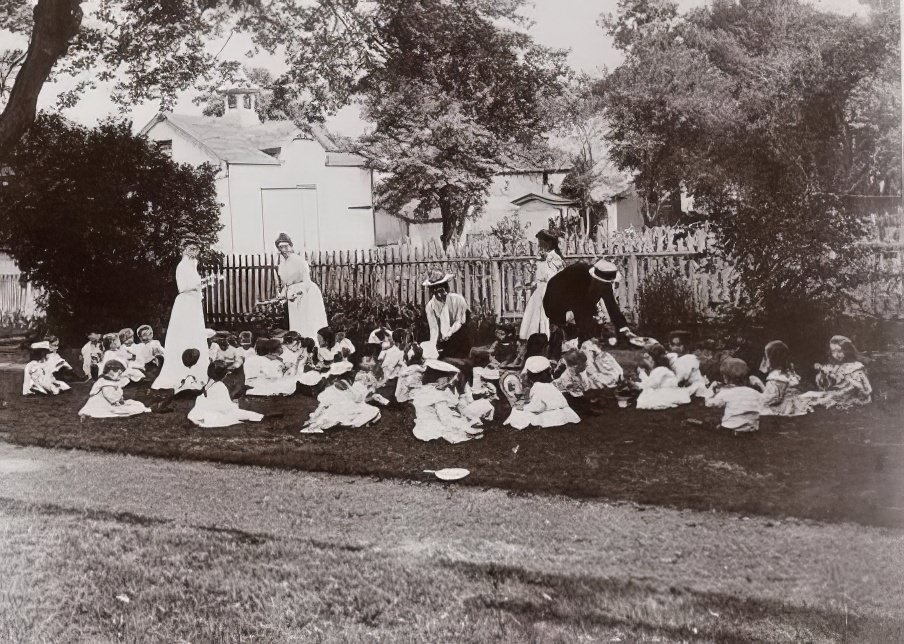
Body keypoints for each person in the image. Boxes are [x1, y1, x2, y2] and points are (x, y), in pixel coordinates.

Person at [543, 258, 637, 353]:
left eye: (608, 284)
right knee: (565, 339)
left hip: (578, 301)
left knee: (586, 334)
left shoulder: (604, 279)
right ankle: (556, 352)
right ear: (596, 279)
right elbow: (581, 311)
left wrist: (624, 329)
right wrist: (589, 340)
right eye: (603, 284)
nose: (606, 286)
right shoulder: (578, 279)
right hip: (555, 300)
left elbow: (612, 306)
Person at [152, 239, 210, 390]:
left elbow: (195, 285)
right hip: (185, 303)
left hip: (193, 302)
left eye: (196, 249)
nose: (194, 252)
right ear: (184, 250)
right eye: (191, 249)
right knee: (184, 332)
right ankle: (181, 369)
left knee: (194, 333)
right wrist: (200, 283)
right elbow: (183, 287)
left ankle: (197, 368)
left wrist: (203, 283)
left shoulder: (192, 265)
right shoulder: (182, 266)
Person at [301, 353, 386, 433]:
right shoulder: (357, 379)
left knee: (375, 411)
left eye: (372, 379)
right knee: (335, 410)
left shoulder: (368, 386)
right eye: (369, 376)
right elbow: (352, 393)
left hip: (353, 404)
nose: (369, 379)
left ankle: (347, 424)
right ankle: (316, 423)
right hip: (345, 401)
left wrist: (372, 397)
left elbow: (361, 400)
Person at [411, 360, 482, 443]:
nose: (449, 382)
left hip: (421, 426)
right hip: (432, 429)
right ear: (439, 379)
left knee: (456, 417)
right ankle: (468, 432)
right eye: (447, 379)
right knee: (454, 426)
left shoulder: (424, 389)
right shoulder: (438, 396)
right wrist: (465, 427)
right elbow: (446, 419)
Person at [275, 233, 328, 340]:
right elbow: (286, 284)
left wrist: (299, 292)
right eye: (281, 247)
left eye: (286, 246)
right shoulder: (281, 266)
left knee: (308, 321)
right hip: (292, 296)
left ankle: (313, 343)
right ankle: (300, 343)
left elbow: (307, 281)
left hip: (307, 294)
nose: (284, 249)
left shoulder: (299, 261)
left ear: (291, 246)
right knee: (296, 322)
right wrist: (282, 296)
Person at [505, 356, 581, 430]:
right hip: (563, 412)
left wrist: (525, 408)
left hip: (550, 414)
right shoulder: (551, 386)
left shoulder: (537, 387)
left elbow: (539, 406)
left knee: (518, 412)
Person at [519, 229, 566, 340]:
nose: (539, 244)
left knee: (545, 315)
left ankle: (548, 338)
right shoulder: (541, 258)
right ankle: (536, 339)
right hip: (539, 291)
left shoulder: (555, 259)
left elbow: (558, 277)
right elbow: (539, 276)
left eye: (540, 241)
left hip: (550, 291)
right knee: (535, 315)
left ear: (548, 242)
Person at [803, 335, 873, 410]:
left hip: (848, 396)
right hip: (835, 394)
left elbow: (864, 389)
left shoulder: (855, 367)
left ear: (848, 351)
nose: (836, 355)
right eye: (833, 351)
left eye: (839, 351)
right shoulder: (835, 366)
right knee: (808, 394)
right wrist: (823, 374)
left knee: (812, 398)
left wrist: (843, 378)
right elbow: (826, 386)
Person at [188, 361, 263, 428]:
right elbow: (224, 407)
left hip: (204, 410)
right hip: (216, 411)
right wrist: (233, 404)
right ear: (225, 375)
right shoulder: (220, 386)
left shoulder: (209, 383)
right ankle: (257, 417)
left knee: (238, 412)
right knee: (238, 413)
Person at [423, 269, 471, 359]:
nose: (444, 293)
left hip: (461, 331)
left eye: (445, 289)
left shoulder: (458, 300)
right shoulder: (430, 306)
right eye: (440, 291)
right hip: (445, 337)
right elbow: (434, 328)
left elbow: (459, 321)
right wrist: (433, 347)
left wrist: (449, 333)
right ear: (434, 292)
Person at [706, 358, 763, 433]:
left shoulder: (725, 393)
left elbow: (708, 404)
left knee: (708, 421)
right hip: (752, 429)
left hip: (730, 429)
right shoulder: (755, 393)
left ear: (725, 377)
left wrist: (710, 389)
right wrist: (760, 385)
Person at [78, 360, 151, 418]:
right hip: (103, 405)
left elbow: (116, 393)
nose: (120, 376)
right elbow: (110, 397)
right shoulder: (104, 383)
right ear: (111, 372)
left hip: (111, 402)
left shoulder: (110, 381)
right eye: (119, 374)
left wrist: (120, 398)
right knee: (132, 408)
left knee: (136, 405)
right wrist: (117, 400)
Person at [758, 340, 812, 417]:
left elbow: (771, 399)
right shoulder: (788, 374)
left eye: (766, 357)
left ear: (770, 359)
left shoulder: (775, 377)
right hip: (796, 408)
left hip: (784, 410)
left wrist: (759, 384)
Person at [635, 343, 692, 410]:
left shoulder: (659, 370)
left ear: (653, 359)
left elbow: (651, 385)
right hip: (672, 391)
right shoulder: (665, 369)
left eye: (649, 358)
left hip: (665, 393)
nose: (648, 361)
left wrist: (638, 382)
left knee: (646, 397)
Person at [666, 330, 709, 397]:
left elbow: (682, 377)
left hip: (694, 388)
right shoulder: (677, 357)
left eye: (678, 345)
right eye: (672, 345)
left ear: (684, 346)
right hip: (687, 386)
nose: (674, 347)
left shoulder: (688, 358)